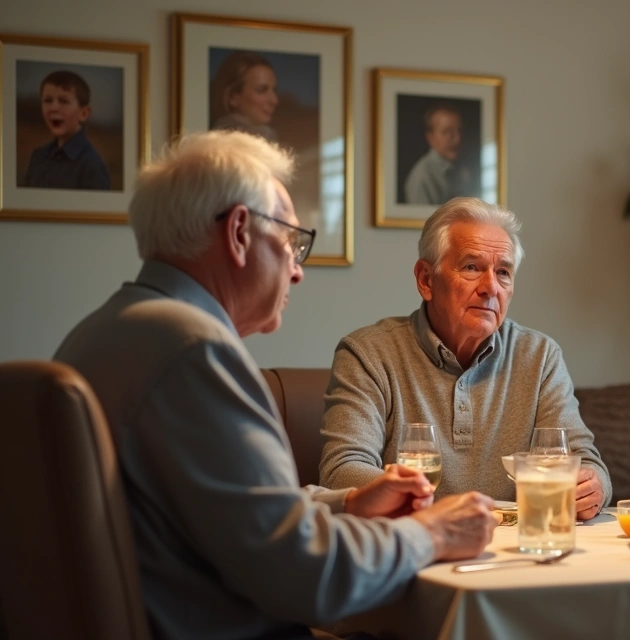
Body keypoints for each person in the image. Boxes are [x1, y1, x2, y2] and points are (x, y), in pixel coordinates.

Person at [54, 130, 497, 640]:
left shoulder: (104, 331)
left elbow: (224, 517)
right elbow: (306, 578)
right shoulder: (194, 351)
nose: (297, 271)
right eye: (290, 242)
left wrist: (346, 504)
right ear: (239, 232)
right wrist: (429, 533)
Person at [320, 196, 612, 520]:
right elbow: (342, 472)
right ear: (426, 280)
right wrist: (439, 510)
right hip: (416, 549)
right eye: (472, 267)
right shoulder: (367, 354)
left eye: (503, 272)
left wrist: (592, 485)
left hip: (516, 552)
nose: (491, 288)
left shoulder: (540, 357)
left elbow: (584, 460)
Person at [23, 69, 111, 190]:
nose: (53, 108)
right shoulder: (38, 156)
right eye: (48, 100)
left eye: (63, 101)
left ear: (84, 113)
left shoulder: (92, 166)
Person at [401, 104, 472, 204]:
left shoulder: (464, 170)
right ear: (430, 137)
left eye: (460, 130)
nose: (457, 138)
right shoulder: (422, 177)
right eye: (447, 132)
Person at [210, 50, 279, 142]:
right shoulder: (225, 144)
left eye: (274, 90)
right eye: (261, 90)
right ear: (233, 97)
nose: (274, 100)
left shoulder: (265, 137)